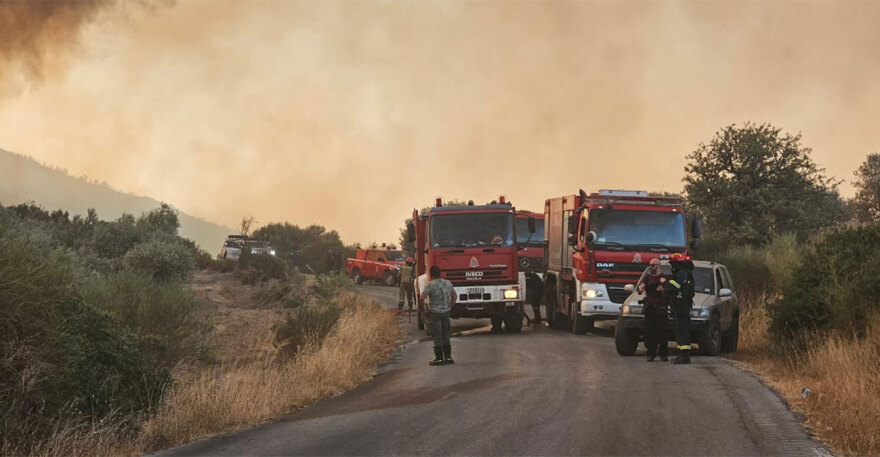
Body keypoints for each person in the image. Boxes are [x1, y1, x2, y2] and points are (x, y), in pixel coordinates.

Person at [419, 265, 456, 366]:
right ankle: (448, 357)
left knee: (437, 335)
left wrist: (424, 310)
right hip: (446, 312)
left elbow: (422, 298)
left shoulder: (430, 285)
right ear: (440, 273)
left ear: (431, 274)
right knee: (446, 334)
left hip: (435, 313)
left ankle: (439, 358)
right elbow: (454, 295)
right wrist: (450, 306)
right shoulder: (448, 283)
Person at [663, 253, 696, 365]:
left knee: (682, 330)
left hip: (682, 306)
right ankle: (681, 355)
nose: (671, 267)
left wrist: (665, 282)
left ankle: (685, 356)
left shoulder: (682, 273)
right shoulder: (684, 273)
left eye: (672, 264)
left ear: (676, 264)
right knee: (680, 330)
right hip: (680, 306)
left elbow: (675, 286)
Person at [638, 259, 668, 362]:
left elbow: (672, 288)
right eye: (650, 265)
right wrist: (641, 288)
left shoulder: (664, 278)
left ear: (658, 266)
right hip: (650, 309)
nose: (651, 267)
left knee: (662, 333)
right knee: (650, 333)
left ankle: (663, 354)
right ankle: (651, 354)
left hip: (661, 309)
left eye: (653, 265)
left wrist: (664, 288)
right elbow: (640, 288)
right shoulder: (647, 277)